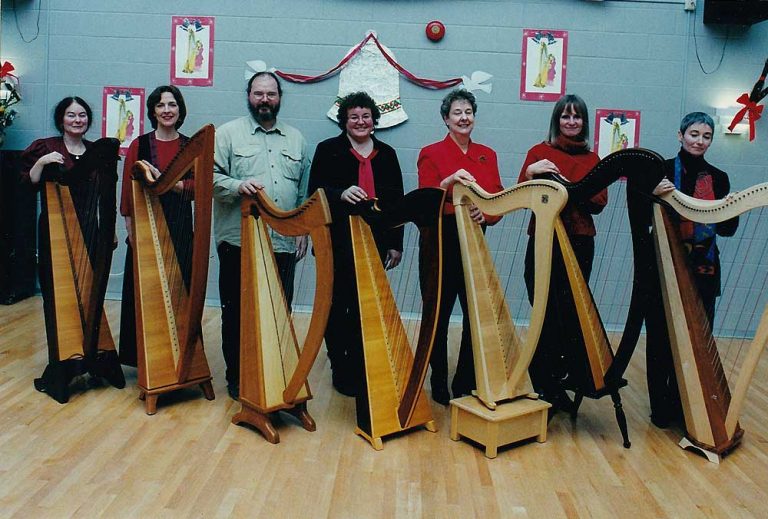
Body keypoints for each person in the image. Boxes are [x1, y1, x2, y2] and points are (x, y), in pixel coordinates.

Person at [213, 71, 311, 401]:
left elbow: (302, 190)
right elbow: (209, 179)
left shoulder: (296, 139)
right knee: (237, 312)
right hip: (238, 240)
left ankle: (274, 373)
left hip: (282, 240)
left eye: (270, 94)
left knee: (278, 311)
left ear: (280, 97)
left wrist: (301, 229)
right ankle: (239, 377)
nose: (264, 100)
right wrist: (236, 186)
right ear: (249, 96)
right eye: (258, 94)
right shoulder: (227, 134)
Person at [308, 91, 404, 397]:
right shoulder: (327, 150)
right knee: (338, 305)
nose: (361, 122)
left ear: (374, 120)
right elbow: (315, 192)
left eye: (366, 116)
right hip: (337, 239)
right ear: (344, 121)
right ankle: (340, 365)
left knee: (368, 303)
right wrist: (339, 195)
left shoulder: (387, 154)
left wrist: (395, 243)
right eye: (354, 117)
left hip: (374, 240)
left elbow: (398, 203)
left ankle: (364, 363)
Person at [647, 111, 738, 427]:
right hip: (665, 266)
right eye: (694, 134)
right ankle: (661, 408)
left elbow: (727, 230)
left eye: (706, 136)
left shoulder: (719, 177)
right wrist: (652, 195)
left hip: (704, 270)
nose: (699, 141)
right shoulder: (660, 171)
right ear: (680, 135)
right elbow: (640, 213)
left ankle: (686, 405)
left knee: (698, 339)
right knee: (660, 339)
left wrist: (730, 208)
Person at [518, 93, 607, 414]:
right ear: (557, 120)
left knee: (567, 314)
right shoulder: (539, 153)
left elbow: (598, 202)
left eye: (577, 117)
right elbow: (519, 196)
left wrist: (568, 186)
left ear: (584, 122)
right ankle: (543, 381)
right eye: (565, 116)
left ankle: (553, 384)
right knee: (542, 309)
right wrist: (531, 174)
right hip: (541, 240)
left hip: (579, 243)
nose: (571, 122)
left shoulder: (593, 159)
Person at [417, 89, 504, 405]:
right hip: (440, 240)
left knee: (476, 313)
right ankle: (438, 381)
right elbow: (426, 201)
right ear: (445, 118)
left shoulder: (487, 154)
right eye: (457, 112)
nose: (464, 117)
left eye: (468, 111)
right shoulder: (431, 153)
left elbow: (497, 196)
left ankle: (465, 380)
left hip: (475, 240)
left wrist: (487, 213)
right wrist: (449, 180)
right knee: (437, 314)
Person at [118, 85, 192, 367]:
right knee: (143, 297)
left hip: (181, 227)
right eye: (161, 105)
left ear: (180, 110)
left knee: (180, 292)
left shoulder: (189, 145)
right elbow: (128, 192)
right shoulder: (140, 144)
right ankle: (145, 360)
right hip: (146, 229)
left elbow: (196, 188)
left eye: (172, 105)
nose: (167, 110)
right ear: (152, 111)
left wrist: (169, 183)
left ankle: (179, 358)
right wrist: (132, 234)